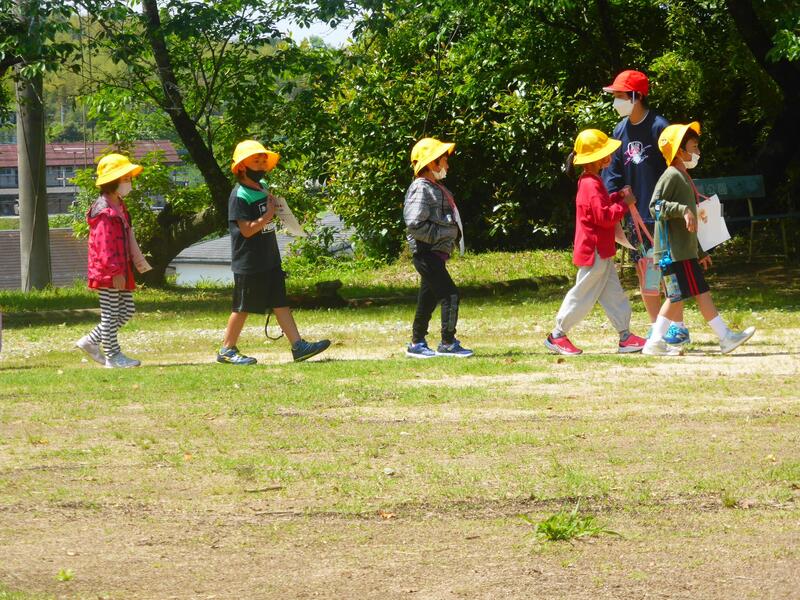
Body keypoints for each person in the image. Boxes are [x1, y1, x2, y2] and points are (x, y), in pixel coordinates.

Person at [642, 122, 755, 355]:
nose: (698, 152)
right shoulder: (672, 175)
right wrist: (682, 209)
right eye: (694, 147)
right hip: (674, 253)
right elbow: (655, 207)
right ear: (679, 151)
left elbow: (688, 224)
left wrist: (699, 251)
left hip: (682, 251)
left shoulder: (683, 176)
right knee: (688, 294)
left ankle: (657, 342)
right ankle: (724, 337)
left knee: (682, 295)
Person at [217, 140, 330, 364]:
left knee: (280, 302)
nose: (261, 165)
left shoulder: (262, 186)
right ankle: (227, 350)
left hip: (269, 257)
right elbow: (246, 230)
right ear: (241, 166)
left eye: (263, 161)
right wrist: (268, 215)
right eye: (256, 161)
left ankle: (298, 346)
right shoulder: (239, 195)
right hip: (249, 261)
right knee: (242, 307)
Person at [602, 69, 690, 346]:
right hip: (636, 219)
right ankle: (656, 328)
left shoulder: (659, 127)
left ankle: (678, 327)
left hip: (663, 216)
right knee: (647, 272)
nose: (616, 101)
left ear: (636, 96)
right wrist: (616, 197)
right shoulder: (620, 130)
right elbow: (612, 174)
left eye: (619, 95)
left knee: (670, 274)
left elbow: (677, 168)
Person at [545, 129, 647, 356]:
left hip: (601, 250)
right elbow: (603, 217)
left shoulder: (590, 181)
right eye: (604, 152)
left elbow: (600, 207)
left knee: (614, 295)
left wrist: (617, 197)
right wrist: (624, 204)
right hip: (595, 251)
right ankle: (557, 335)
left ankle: (625, 337)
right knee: (582, 294)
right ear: (594, 158)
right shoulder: (590, 183)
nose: (609, 156)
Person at [76, 154, 151, 368]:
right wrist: (115, 271)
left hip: (119, 268)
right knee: (110, 314)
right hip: (108, 271)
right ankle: (113, 356)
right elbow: (104, 245)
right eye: (125, 178)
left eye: (129, 178)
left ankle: (90, 341)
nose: (129, 183)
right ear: (112, 181)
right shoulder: (104, 211)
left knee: (126, 310)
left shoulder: (118, 205)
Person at [403, 137, 473, 358]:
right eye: (444, 161)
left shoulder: (435, 187)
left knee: (428, 299)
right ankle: (448, 343)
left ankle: (417, 343)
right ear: (432, 163)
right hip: (427, 253)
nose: (447, 166)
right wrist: (439, 236)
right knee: (450, 295)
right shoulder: (421, 188)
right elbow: (414, 224)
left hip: (434, 254)